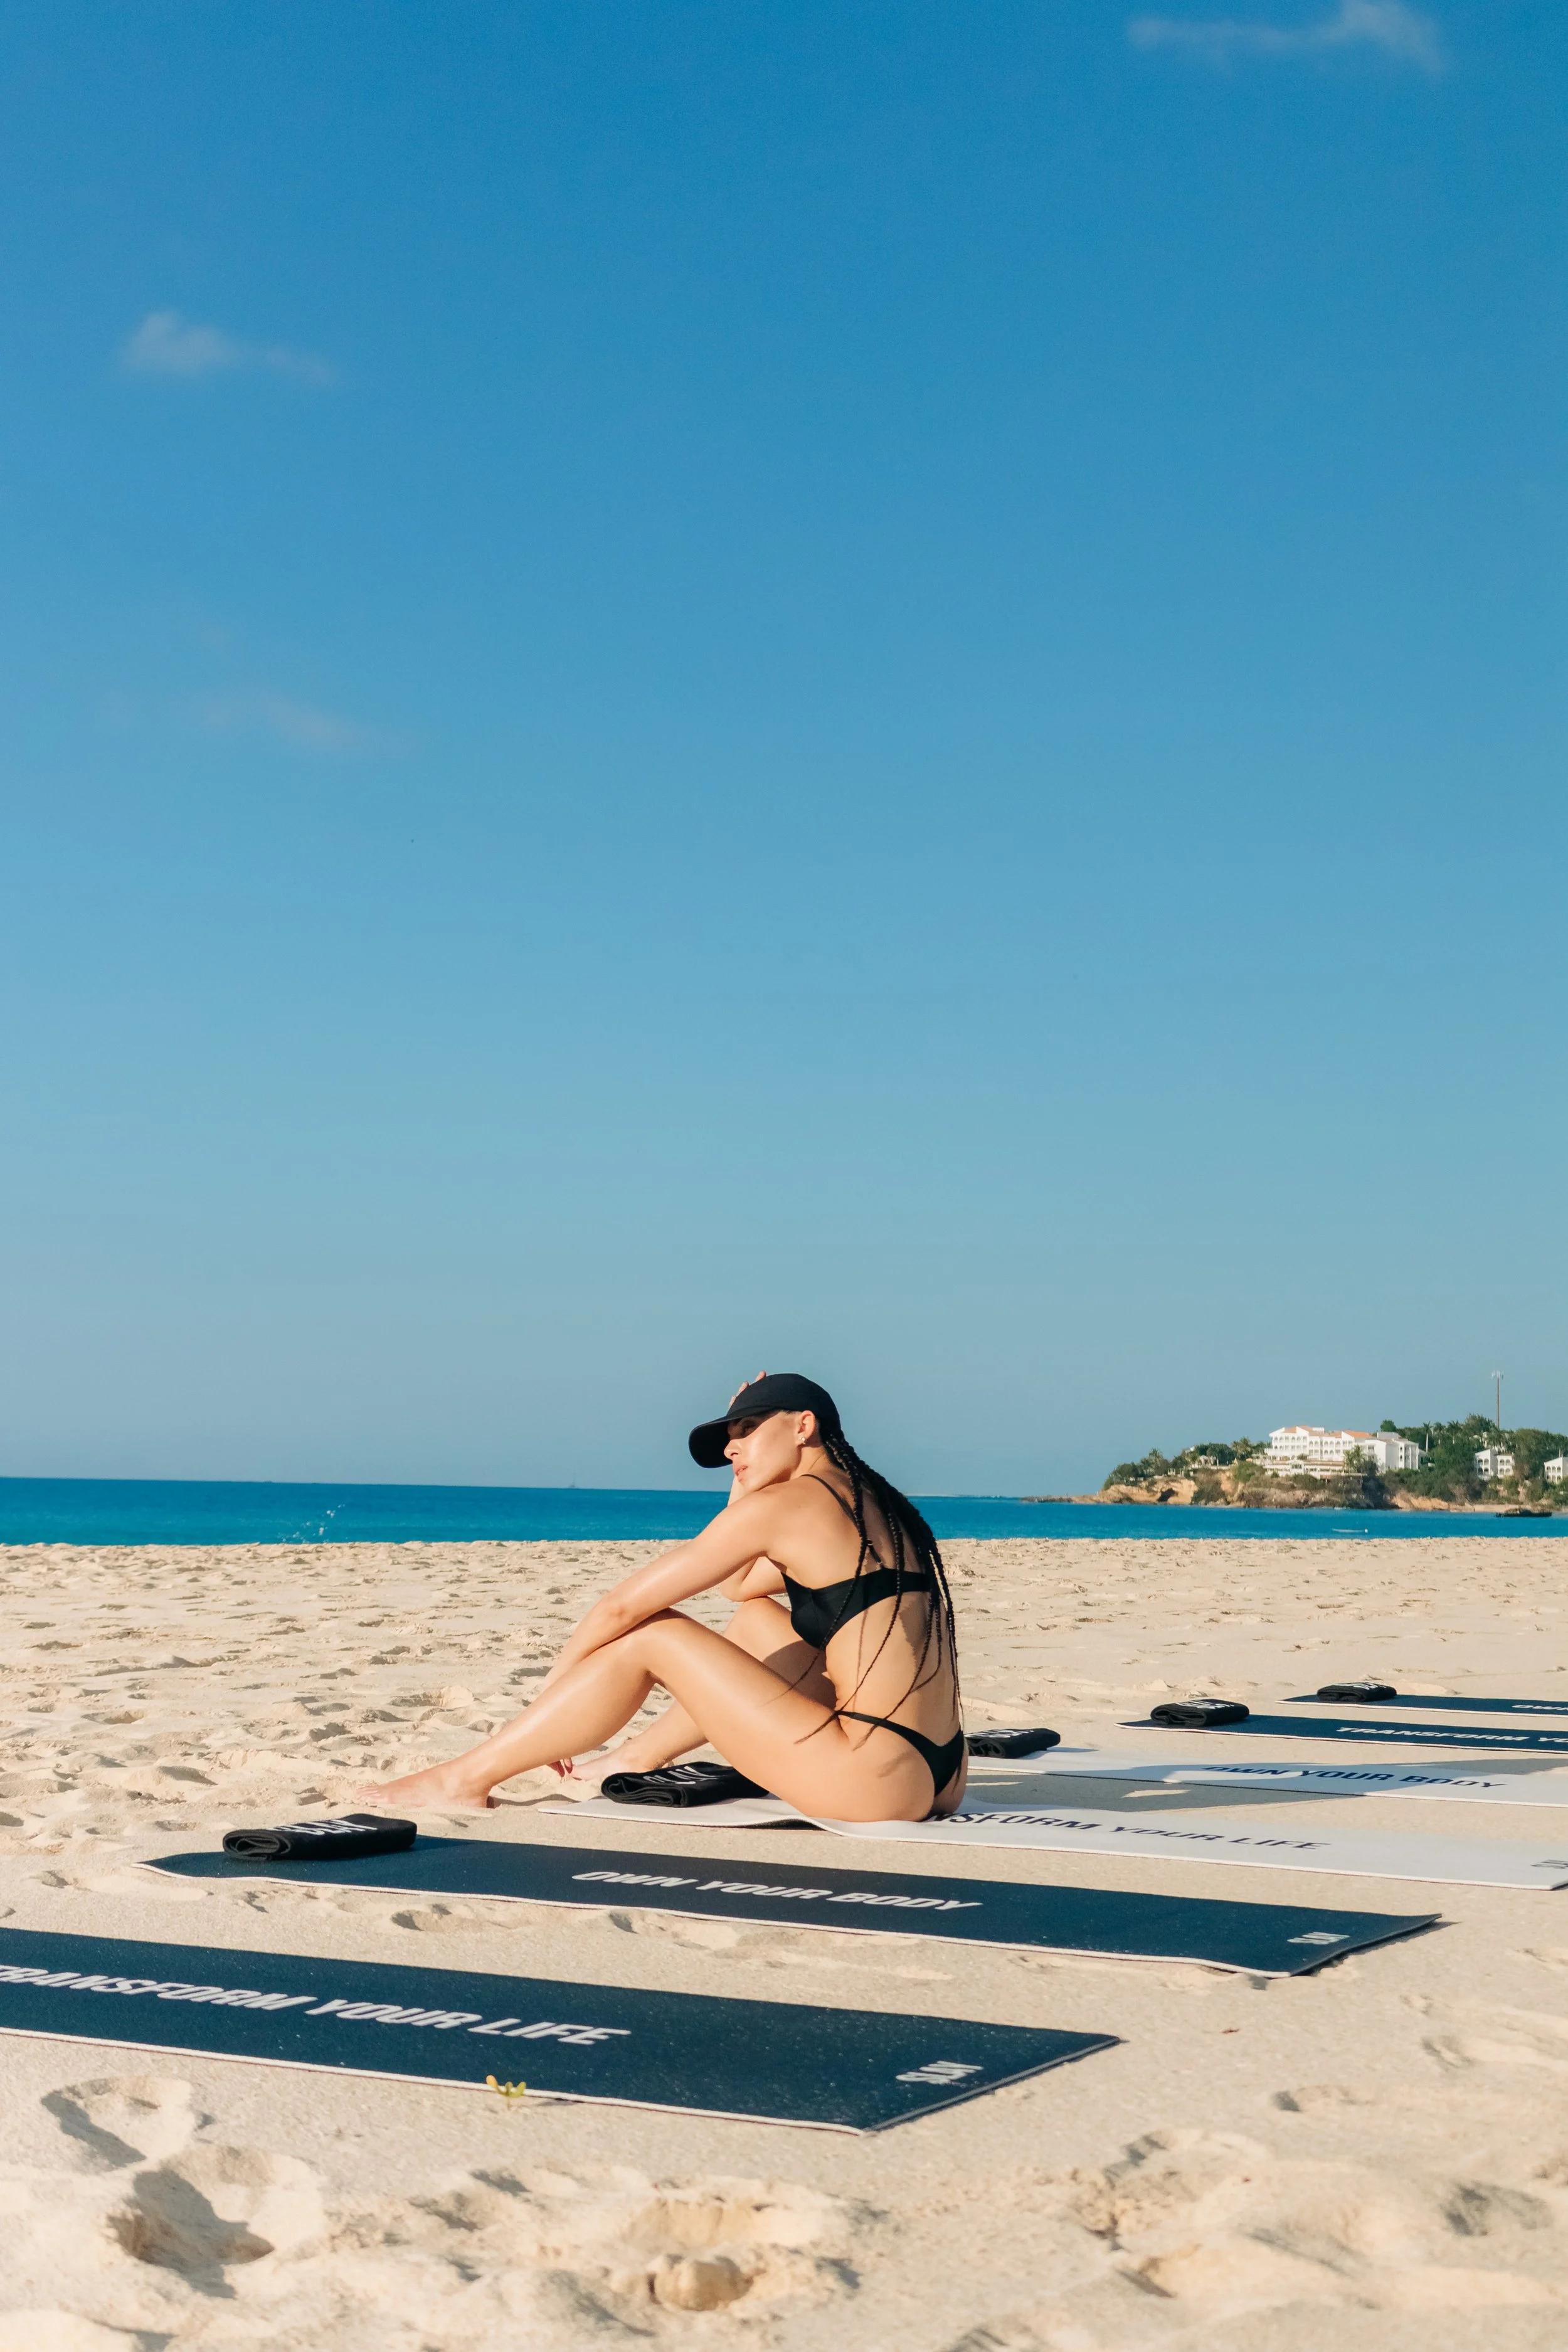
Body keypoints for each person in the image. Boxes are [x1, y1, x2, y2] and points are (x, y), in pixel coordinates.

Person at [354, 1373, 965, 1821]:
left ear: (802, 1426)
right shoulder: (877, 1507)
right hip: (939, 1773)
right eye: (730, 1438)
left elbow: (620, 1608)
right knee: (755, 1620)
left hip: (870, 1781)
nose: (732, 1447)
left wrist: (548, 1705)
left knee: (656, 1633)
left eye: (749, 1430)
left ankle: (462, 1778)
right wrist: (748, 1470)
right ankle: (632, 1760)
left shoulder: (789, 1506)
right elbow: (739, 1587)